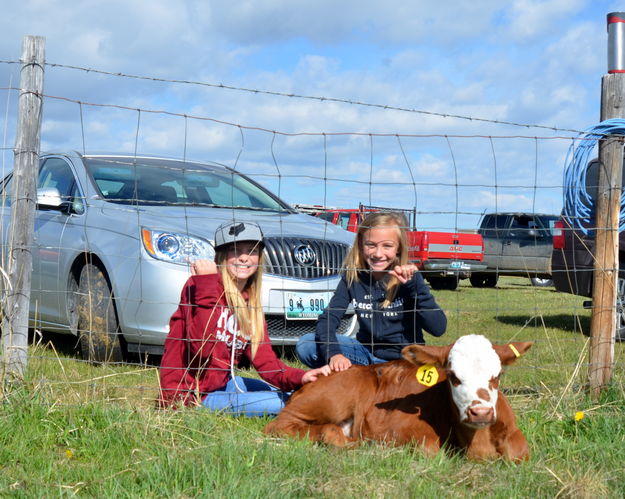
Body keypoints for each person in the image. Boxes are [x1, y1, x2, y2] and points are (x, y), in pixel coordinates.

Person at [158, 221, 330, 415]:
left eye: (251, 251)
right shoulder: (200, 286)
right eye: (235, 250)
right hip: (193, 395)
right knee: (288, 403)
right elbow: (201, 350)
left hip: (224, 385)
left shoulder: (251, 303)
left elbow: (268, 365)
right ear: (222, 256)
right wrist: (205, 285)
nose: (244, 258)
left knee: (296, 391)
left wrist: (303, 376)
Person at [296, 212, 447, 371]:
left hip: (404, 361)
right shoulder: (353, 277)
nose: (378, 254)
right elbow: (328, 319)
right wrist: (334, 354)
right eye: (371, 245)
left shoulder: (409, 278)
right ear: (361, 246)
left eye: (387, 246)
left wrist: (416, 289)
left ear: (398, 248)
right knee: (307, 344)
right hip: (365, 355)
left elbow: (438, 329)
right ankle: (360, 379)